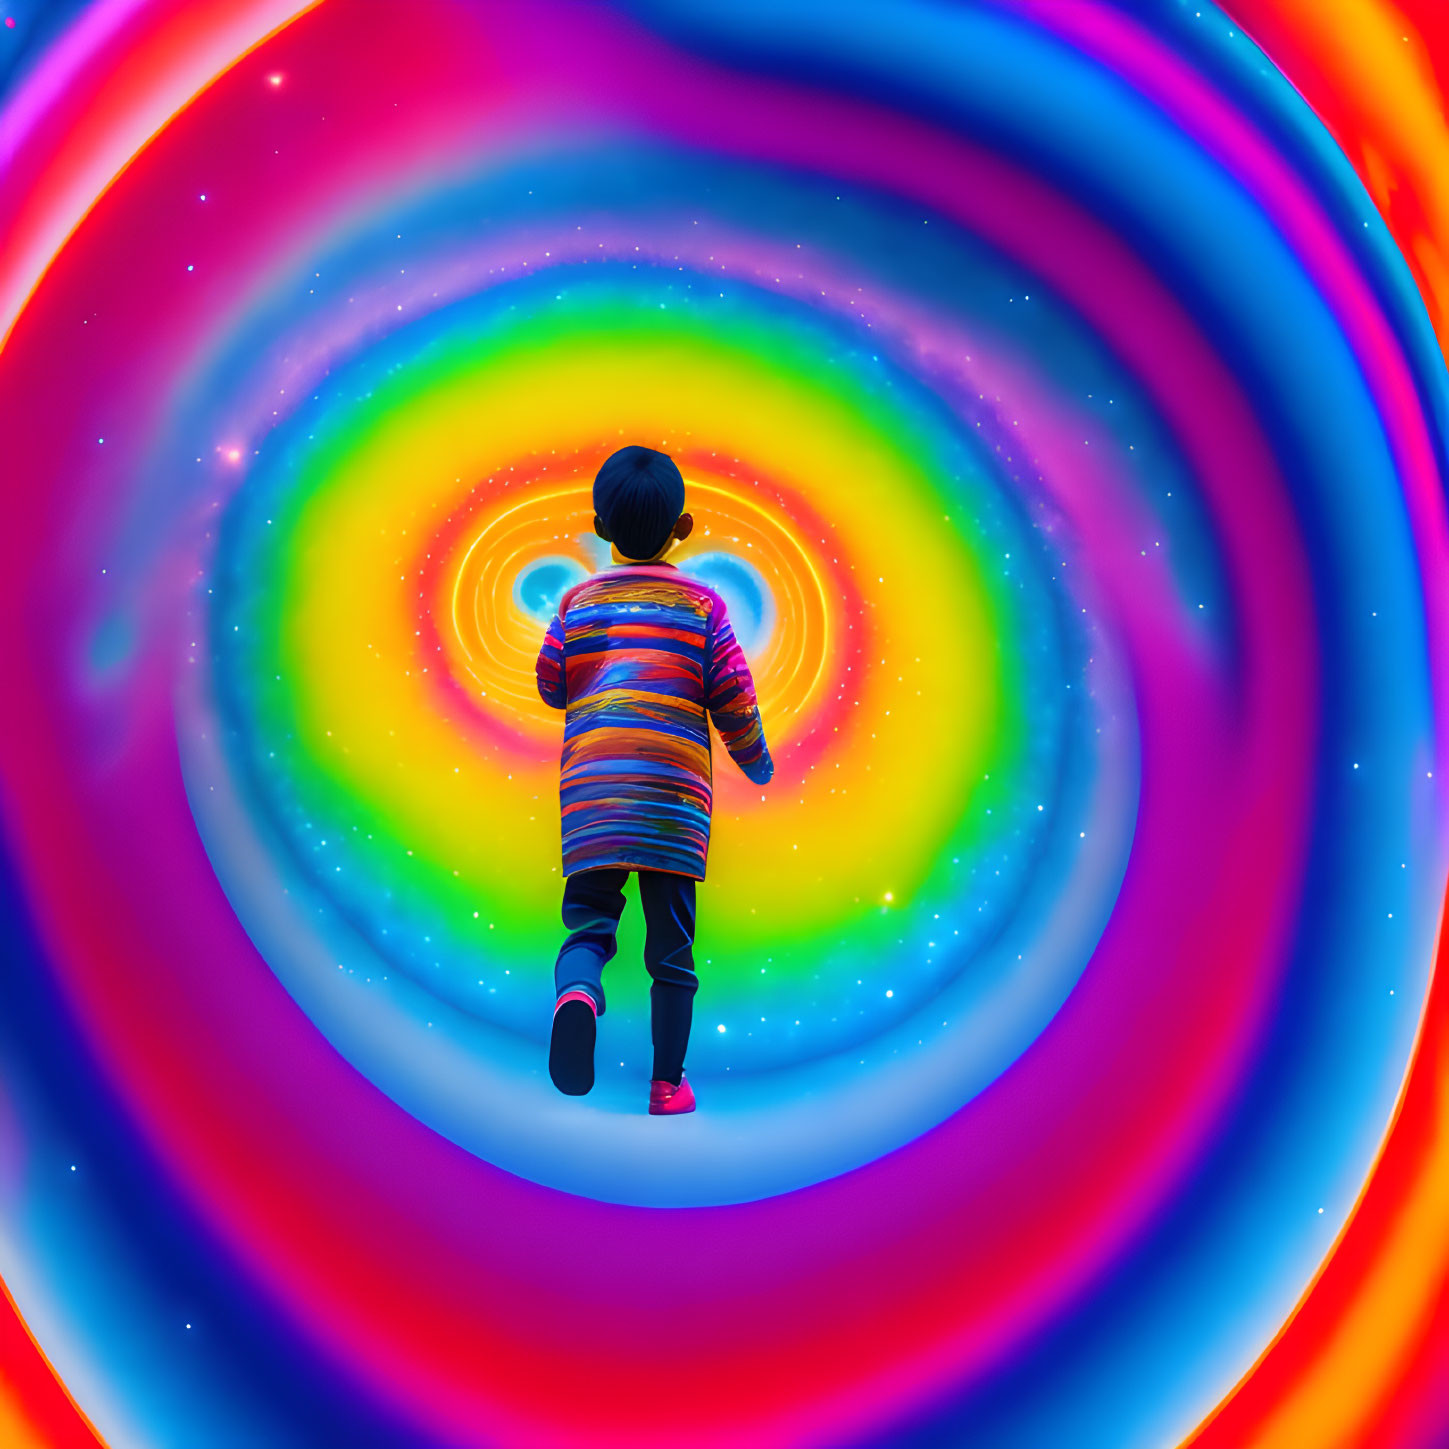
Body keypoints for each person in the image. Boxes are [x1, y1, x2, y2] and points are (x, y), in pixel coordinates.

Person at [534, 444, 773, 1114]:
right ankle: (667, 1085)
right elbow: (733, 696)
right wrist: (755, 759)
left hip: (594, 799)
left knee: (588, 926)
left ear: (600, 526)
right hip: (671, 805)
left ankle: (578, 993)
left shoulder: (576, 603)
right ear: (682, 526)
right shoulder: (702, 607)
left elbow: (552, 685)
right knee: (671, 950)